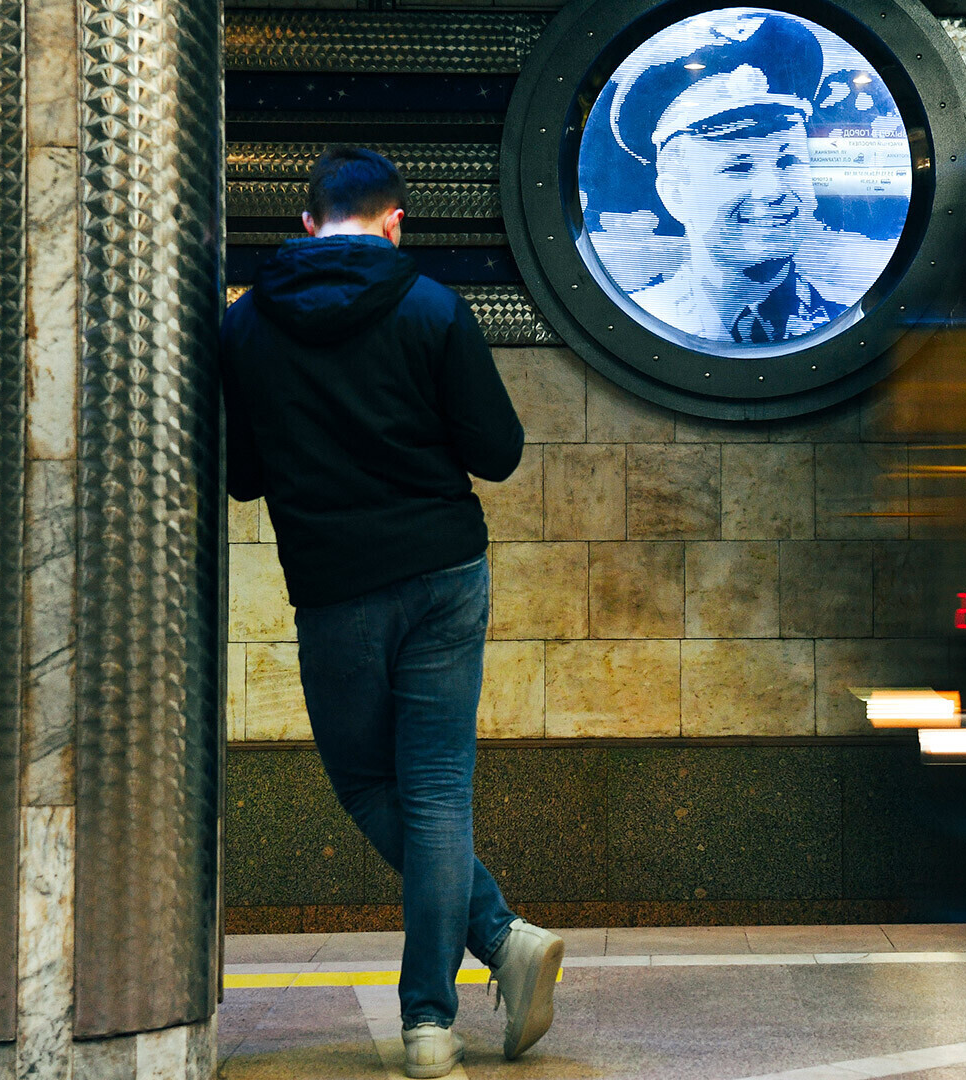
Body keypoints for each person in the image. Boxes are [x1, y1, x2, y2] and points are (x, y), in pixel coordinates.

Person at [219, 147, 564, 1079]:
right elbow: (497, 452)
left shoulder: (244, 327)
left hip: (334, 586)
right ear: (394, 220)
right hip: (445, 572)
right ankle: (432, 1023)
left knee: (372, 786)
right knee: (438, 791)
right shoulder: (432, 307)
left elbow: (241, 479)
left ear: (305, 224)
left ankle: (491, 951)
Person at [608, 13, 837, 344]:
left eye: (788, 160)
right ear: (675, 196)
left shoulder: (847, 319)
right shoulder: (635, 326)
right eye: (739, 167)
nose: (774, 189)